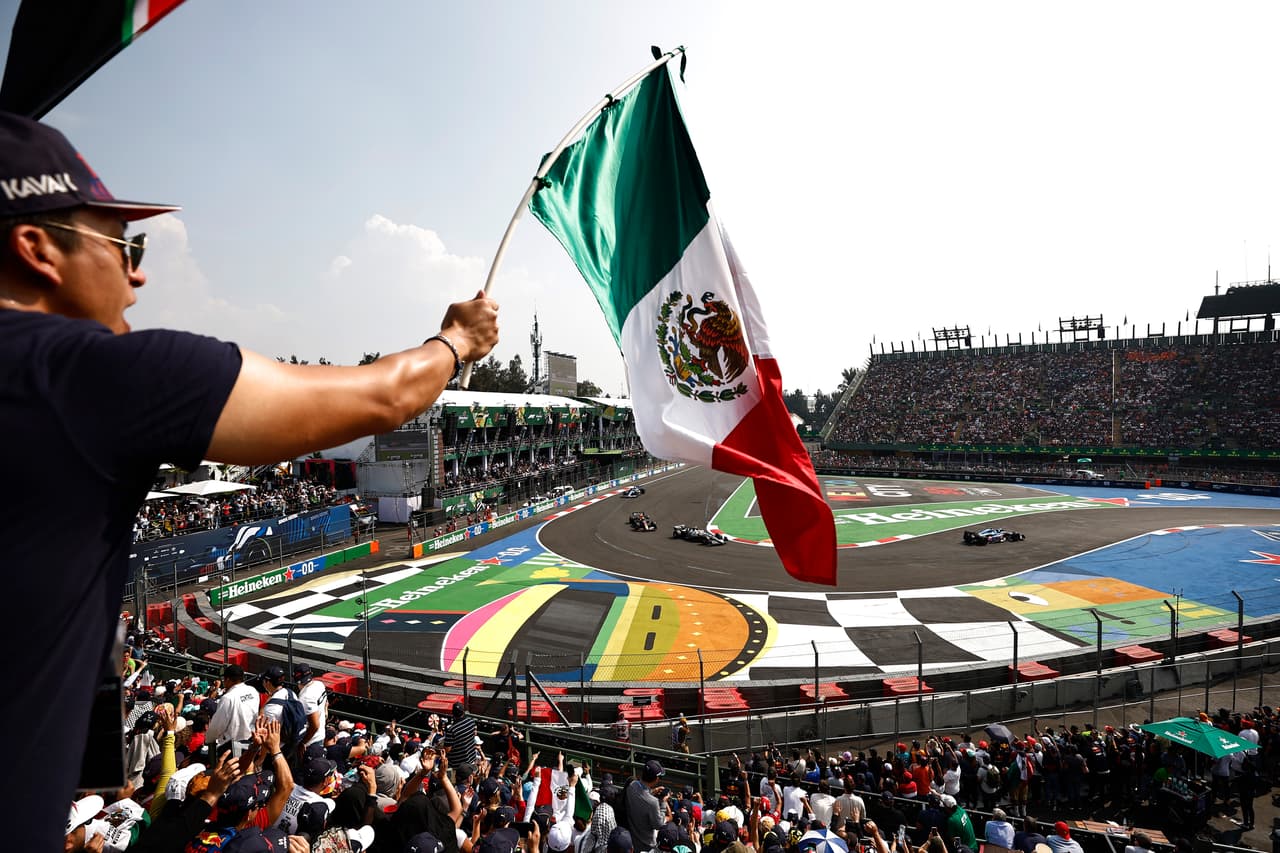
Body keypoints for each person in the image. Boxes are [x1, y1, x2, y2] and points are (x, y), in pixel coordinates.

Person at [0, 109, 500, 851]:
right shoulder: (92, 374)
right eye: (124, 245)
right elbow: (382, 396)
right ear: (37, 247)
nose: (138, 273)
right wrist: (458, 340)